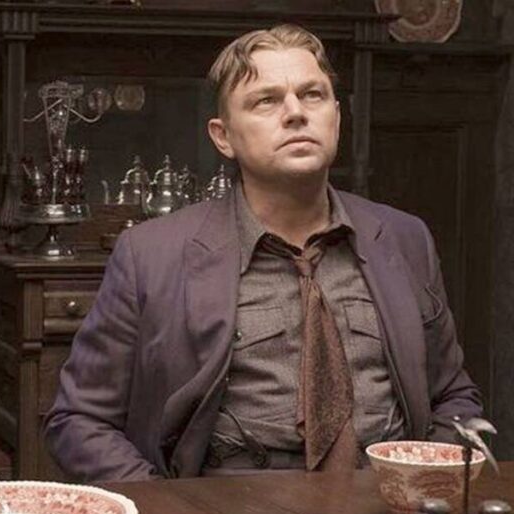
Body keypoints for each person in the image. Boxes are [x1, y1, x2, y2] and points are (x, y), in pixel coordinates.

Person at [44, 24, 482, 482]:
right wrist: (168, 508)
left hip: (384, 508)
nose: (295, 113)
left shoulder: (404, 239)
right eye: (266, 101)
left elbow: (454, 398)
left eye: (312, 95)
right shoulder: (150, 255)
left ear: (336, 116)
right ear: (223, 137)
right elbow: (78, 420)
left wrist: (424, 487)